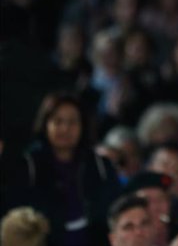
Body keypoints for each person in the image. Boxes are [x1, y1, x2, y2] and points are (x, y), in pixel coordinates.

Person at [1, 93, 122, 246]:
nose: (65, 129)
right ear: (45, 124)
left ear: (83, 126)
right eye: (57, 121)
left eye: (72, 122)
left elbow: (116, 211)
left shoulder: (100, 165)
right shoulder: (27, 167)